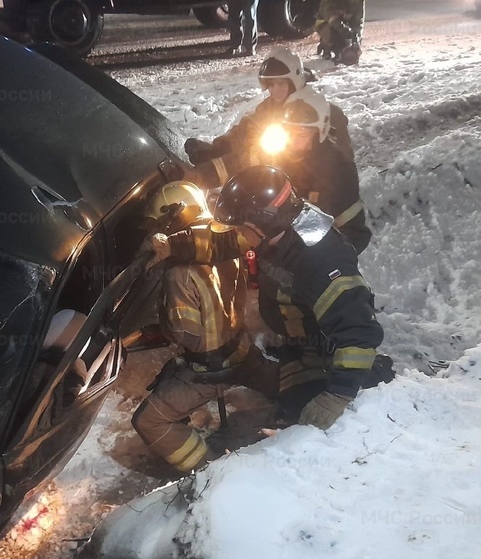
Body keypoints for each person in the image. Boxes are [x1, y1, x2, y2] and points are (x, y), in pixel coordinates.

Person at [143, 166, 390, 431]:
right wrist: (174, 246)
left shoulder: (322, 261)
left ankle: (372, 376)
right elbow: (223, 244)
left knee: (304, 421)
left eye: (242, 227)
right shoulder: (279, 226)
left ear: (261, 225)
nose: (238, 233)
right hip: (299, 344)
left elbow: (358, 331)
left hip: (328, 349)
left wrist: (337, 396)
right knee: (290, 401)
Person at [131, 180, 280, 473]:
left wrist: (163, 323)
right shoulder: (224, 242)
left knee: (148, 421)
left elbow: (189, 336)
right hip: (243, 351)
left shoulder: (178, 274)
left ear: (173, 218)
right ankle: (311, 392)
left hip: (210, 370)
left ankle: (207, 470)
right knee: (285, 382)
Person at [185, 84, 370, 254]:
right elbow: (233, 164)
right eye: (288, 130)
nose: (292, 138)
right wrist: (195, 176)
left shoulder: (339, 169)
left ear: (319, 132)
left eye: (302, 133)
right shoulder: (277, 151)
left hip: (308, 255)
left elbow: (354, 232)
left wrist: (326, 264)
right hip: (270, 238)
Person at [315, 0, 365, 65]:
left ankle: (342, 51)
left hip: (345, 25)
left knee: (349, 41)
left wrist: (356, 39)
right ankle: (326, 44)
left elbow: (358, 23)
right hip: (325, 23)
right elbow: (330, 17)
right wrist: (344, 31)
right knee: (331, 36)